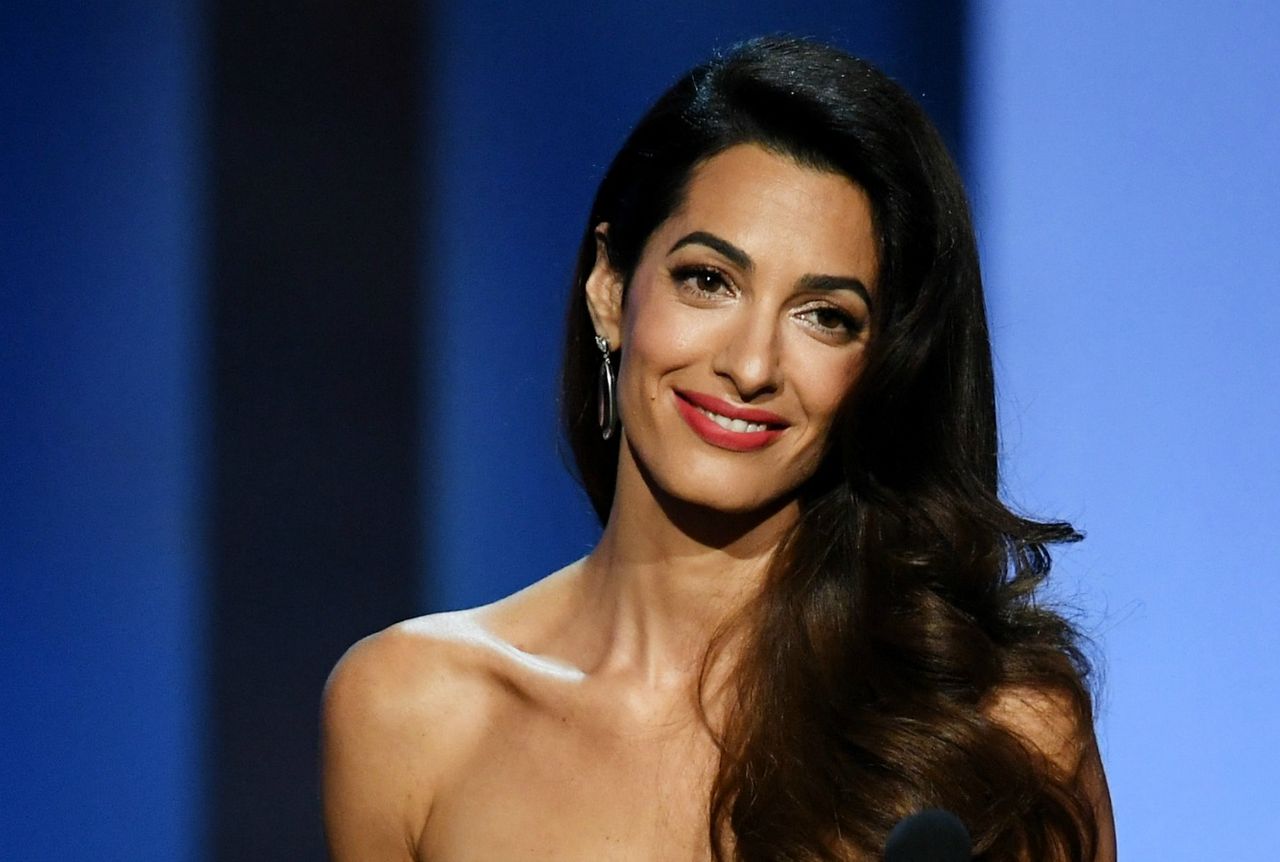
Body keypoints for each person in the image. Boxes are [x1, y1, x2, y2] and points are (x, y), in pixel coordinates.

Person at [322, 36, 1114, 862]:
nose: (750, 365)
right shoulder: (411, 712)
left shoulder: (997, 731)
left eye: (826, 317)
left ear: (883, 367)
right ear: (610, 289)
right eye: (708, 280)